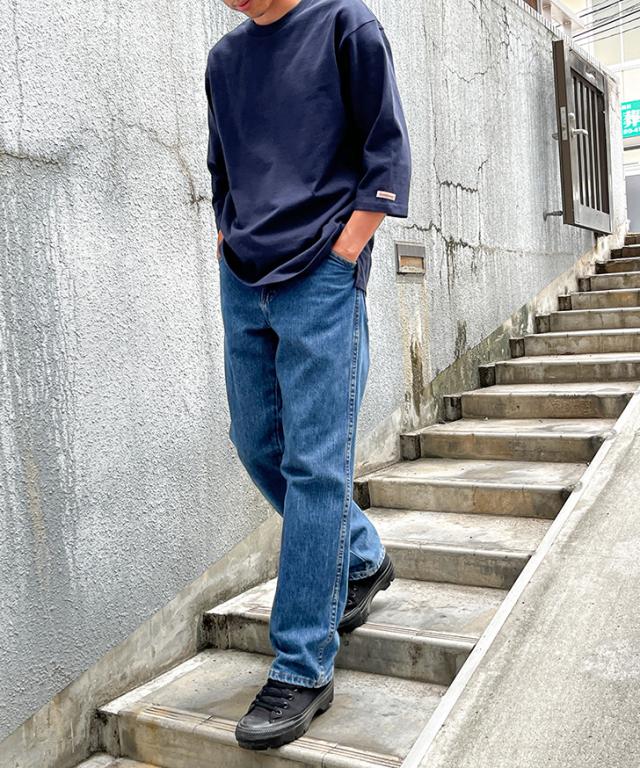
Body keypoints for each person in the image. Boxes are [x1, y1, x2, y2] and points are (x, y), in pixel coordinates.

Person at [204, 0, 412, 750]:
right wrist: (226, 234)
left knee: (316, 465)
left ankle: (302, 665)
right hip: (244, 275)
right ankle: (361, 557)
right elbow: (222, 167)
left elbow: (387, 153)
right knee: (256, 442)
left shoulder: (345, 25)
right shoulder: (225, 59)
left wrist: (346, 250)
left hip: (322, 273)